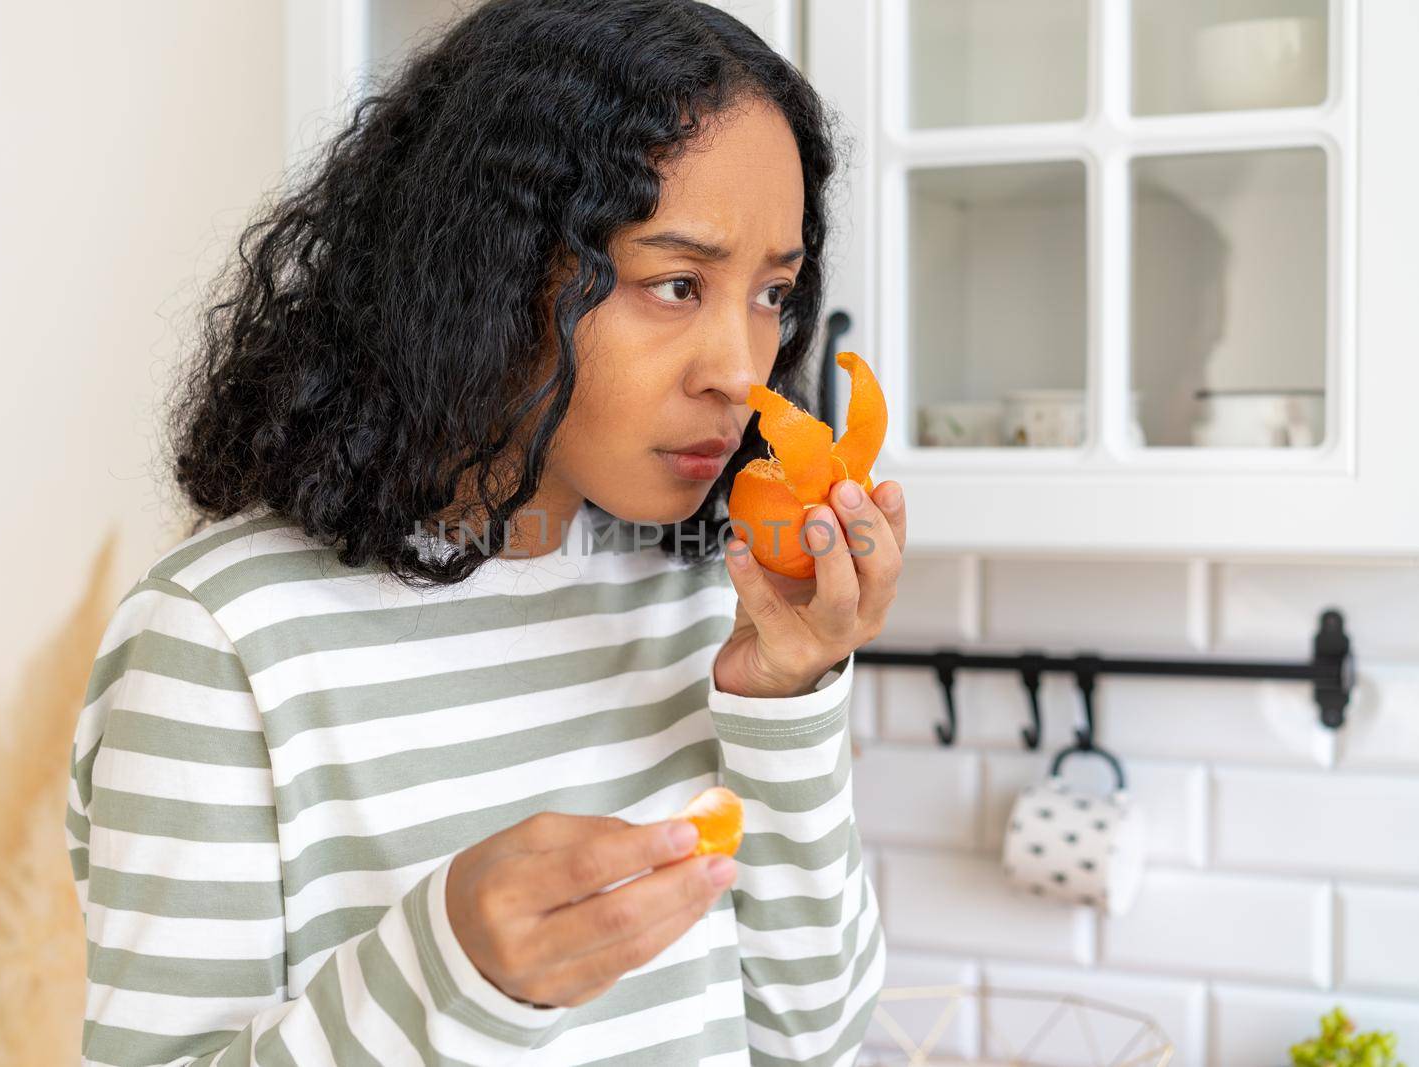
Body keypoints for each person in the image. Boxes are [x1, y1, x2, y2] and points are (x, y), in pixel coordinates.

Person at [65, 0, 904, 1062]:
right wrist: (446, 967)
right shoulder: (226, 639)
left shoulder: (708, 596)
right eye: (675, 282)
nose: (742, 370)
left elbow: (812, 1037)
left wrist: (784, 700)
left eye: (772, 291)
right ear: (494, 269)